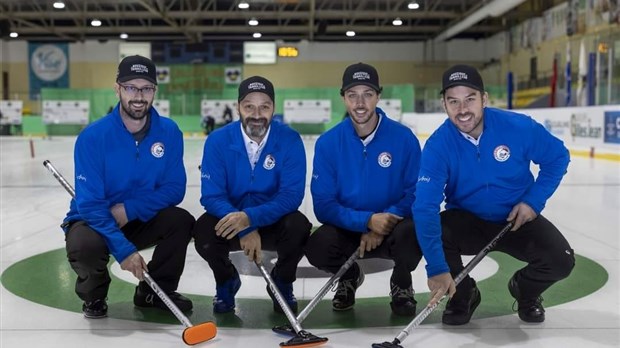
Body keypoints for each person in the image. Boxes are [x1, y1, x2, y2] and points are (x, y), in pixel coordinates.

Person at [413, 64, 575, 325]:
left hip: (516, 219)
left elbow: (558, 157)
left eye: (470, 99)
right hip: (469, 220)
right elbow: (424, 207)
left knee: (561, 261)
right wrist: (438, 269)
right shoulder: (438, 146)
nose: (462, 109)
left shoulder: (517, 127)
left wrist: (533, 202)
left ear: (484, 99)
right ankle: (463, 293)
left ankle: (526, 290)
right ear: (444, 104)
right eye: (453, 101)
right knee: (435, 229)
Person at [62, 55, 195, 319]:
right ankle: (95, 296)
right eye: (131, 87)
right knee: (83, 245)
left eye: (146, 88)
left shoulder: (169, 132)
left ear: (155, 91)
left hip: (139, 217)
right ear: (117, 89)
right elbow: (89, 204)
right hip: (96, 219)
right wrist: (124, 251)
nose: (139, 96)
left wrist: (130, 209)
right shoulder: (93, 136)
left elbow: (175, 188)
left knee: (181, 221)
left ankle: (155, 292)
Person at [305, 62, 423, 317]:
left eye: (367, 94)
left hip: (394, 228)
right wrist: (367, 221)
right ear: (343, 98)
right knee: (317, 246)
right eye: (352, 95)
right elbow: (324, 205)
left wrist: (385, 223)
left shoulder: (404, 139)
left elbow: (415, 193)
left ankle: (402, 283)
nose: (360, 103)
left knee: (415, 233)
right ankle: (349, 275)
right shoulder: (328, 143)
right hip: (349, 229)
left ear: (378, 96)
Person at [193, 76, 311, 314]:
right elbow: (211, 196)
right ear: (238, 107)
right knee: (203, 231)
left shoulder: (289, 140)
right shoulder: (218, 140)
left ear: (273, 108)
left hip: (272, 220)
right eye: (249, 106)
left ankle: (282, 281)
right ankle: (226, 280)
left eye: (264, 106)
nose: (257, 114)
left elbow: (291, 195)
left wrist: (250, 219)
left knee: (298, 226)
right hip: (232, 220)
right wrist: (244, 227)